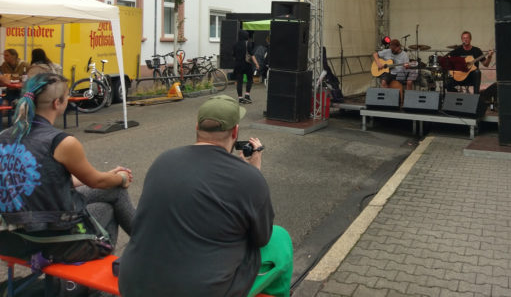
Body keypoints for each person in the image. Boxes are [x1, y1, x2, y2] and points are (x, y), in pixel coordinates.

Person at [119, 95, 293, 297]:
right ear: (235, 131)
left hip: (134, 283)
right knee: (280, 239)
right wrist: (254, 173)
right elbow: (261, 238)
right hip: (202, 290)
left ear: (196, 127)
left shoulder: (163, 161)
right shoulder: (249, 178)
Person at [0, 72, 135, 264]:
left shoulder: (5, 136)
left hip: (12, 237)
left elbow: (46, 179)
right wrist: (121, 178)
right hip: (52, 238)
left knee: (107, 195)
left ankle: (149, 243)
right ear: (58, 103)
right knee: (111, 200)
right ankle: (96, 286)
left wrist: (107, 175)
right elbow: (96, 182)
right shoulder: (62, 142)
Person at [233, 30, 260, 103]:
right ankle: (247, 95)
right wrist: (257, 64)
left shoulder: (235, 44)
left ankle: (240, 98)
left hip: (238, 65)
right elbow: (252, 54)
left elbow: (234, 56)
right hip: (247, 64)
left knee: (239, 81)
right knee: (250, 79)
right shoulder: (248, 43)